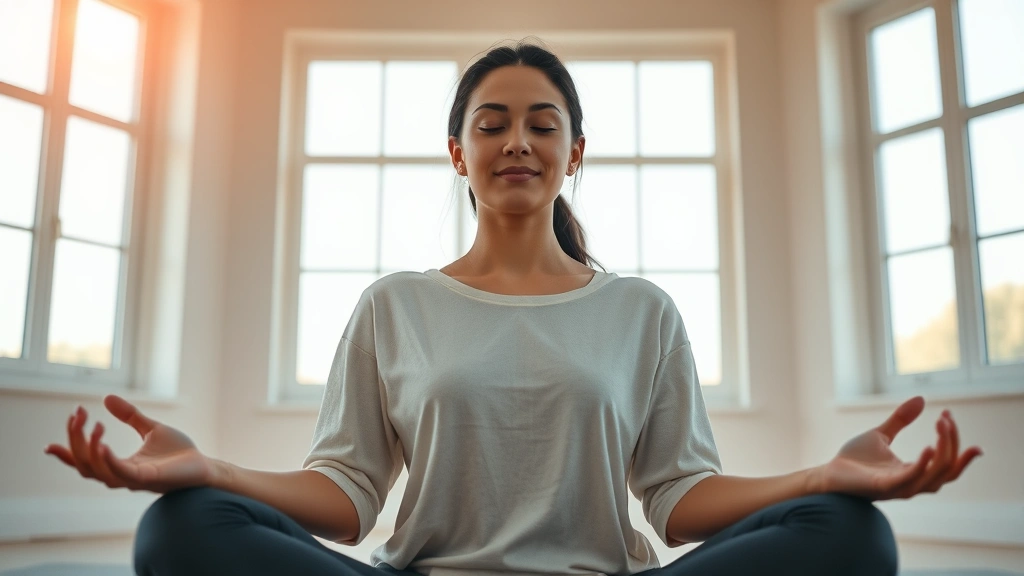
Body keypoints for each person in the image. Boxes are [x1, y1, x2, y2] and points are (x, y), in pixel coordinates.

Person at [45, 40, 983, 576]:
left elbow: (681, 501)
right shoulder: (395, 306)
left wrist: (822, 476)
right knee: (178, 527)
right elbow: (346, 500)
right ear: (457, 152)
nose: (518, 142)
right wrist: (210, 467)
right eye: (491, 124)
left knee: (854, 537)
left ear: (577, 152)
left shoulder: (643, 311)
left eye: (544, 124)